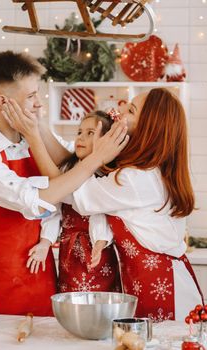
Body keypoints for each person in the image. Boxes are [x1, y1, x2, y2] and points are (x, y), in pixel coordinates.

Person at [6, 88, 203, 321]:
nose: (119, 111)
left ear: (149, 128)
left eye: (130, 110)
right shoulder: (139, 171)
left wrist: (33, 137)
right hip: (147, 284)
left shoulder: (135, 179)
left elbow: (66, 188)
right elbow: (71, 167)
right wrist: (37, 125)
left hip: (167, 291)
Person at [0, 50, 128, 316]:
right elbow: (33, 199)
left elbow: (69, 165)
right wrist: (95, 160)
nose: (39, 103)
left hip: (41, 273)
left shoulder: (31, 138)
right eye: (31, 96)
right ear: (3, 102)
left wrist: (38, 129)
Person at [24, 110, 121, 293]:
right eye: (79, 132)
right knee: (70, 298)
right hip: (68, 250)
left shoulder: (105, 178)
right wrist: (45, 242)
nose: (81, 138)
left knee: (100, 300)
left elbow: (100, 214)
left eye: (90, 133)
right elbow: (54, 208)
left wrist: (101, 242)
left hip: (97, 250)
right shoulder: (69, 170)